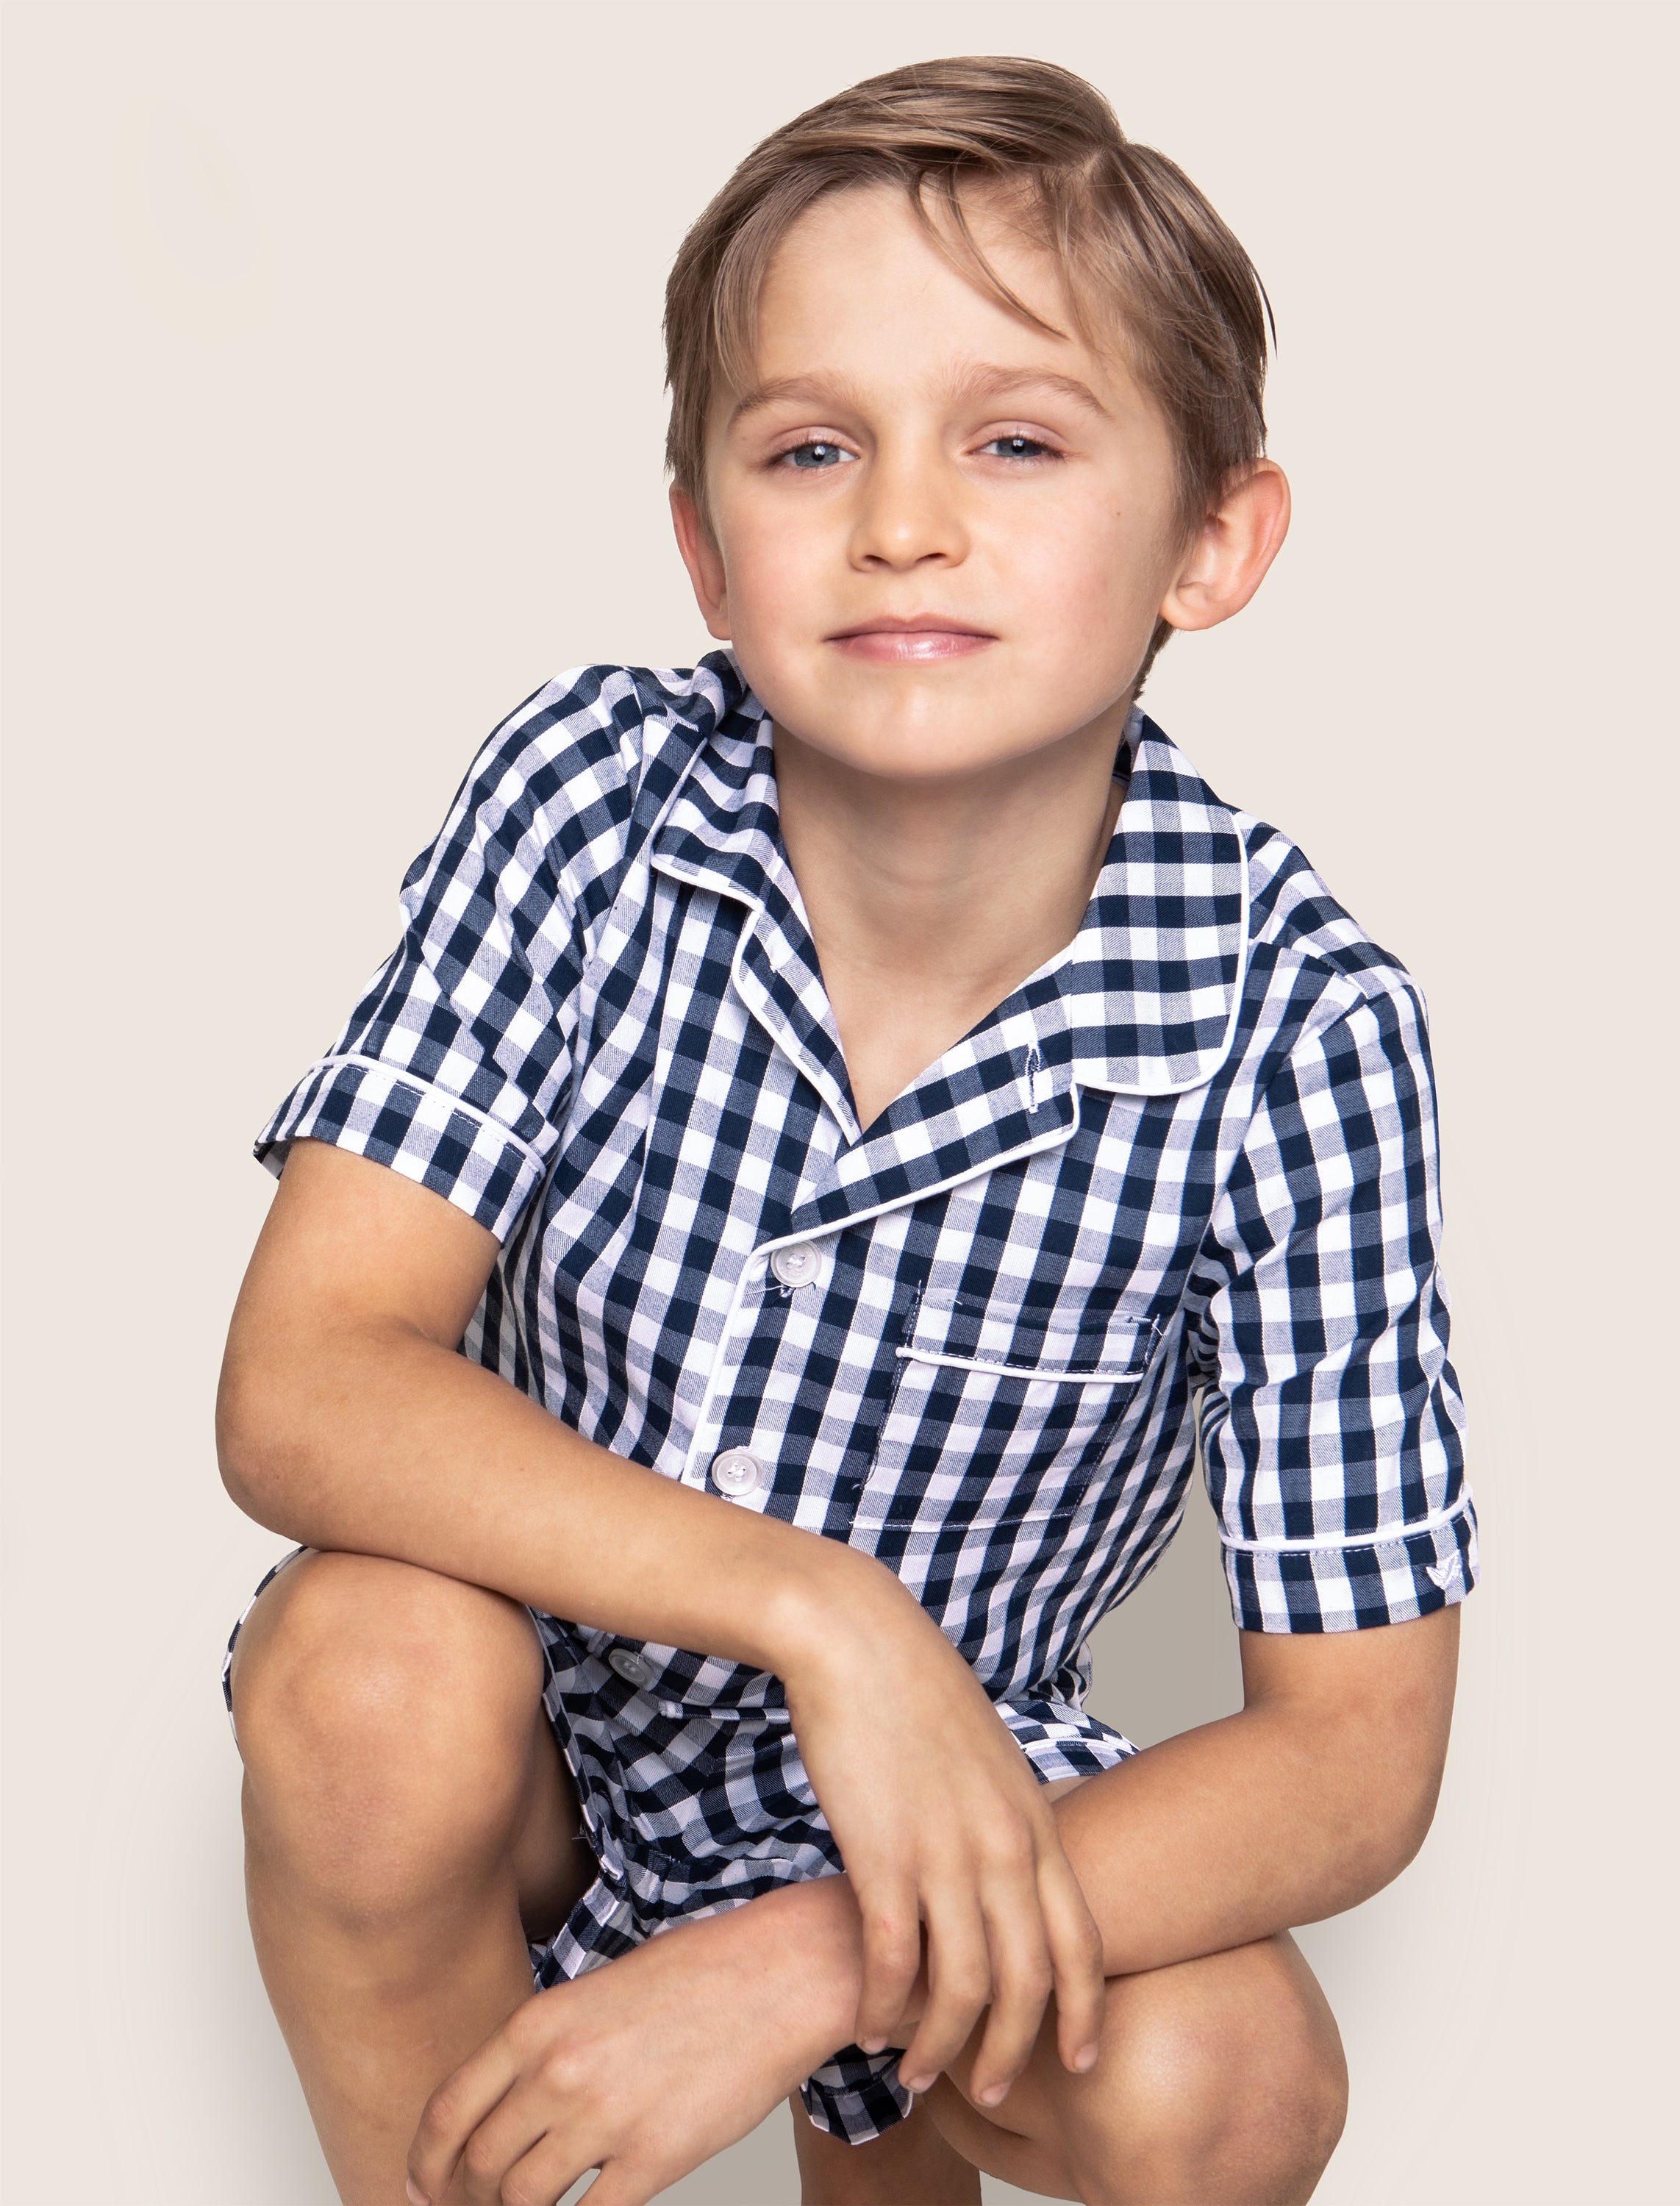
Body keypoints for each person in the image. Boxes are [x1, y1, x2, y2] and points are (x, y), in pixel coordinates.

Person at [216, 54, 1476, 2206]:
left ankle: (870, 2124)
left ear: (1211, 540)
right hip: (551, 1704)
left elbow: (1354, 1755)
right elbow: (305, 1383)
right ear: (709, 548)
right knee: (367, 1671)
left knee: (1226, 2078)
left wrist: (808, 1959)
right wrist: (825, 1615)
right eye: (815, 448)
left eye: (1015, 439)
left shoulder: (1303, 1025)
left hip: (934, 1792)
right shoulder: (589, 799)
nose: (906, 520)